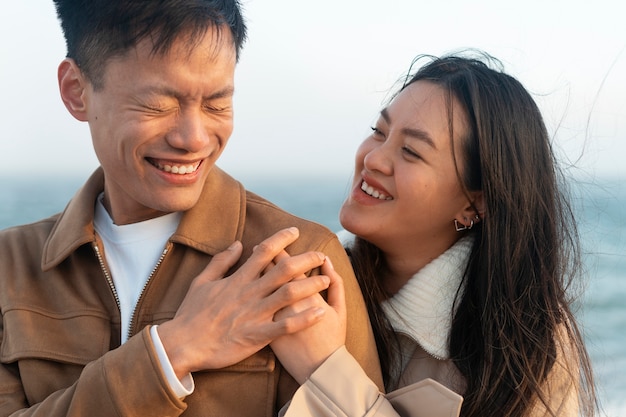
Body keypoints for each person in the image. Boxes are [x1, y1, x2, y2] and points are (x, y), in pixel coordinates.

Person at [0, 1, 382, 416]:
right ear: (76, 90)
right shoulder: (9, 266)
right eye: (157, 104)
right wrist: (174, 351)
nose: (194, 138)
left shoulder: (298, 262)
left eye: (218, 104)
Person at [247, 52, 597, 417]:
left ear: (474, 204)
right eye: (378, 133)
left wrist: (326, 368)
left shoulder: (527, 345)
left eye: (411, 151)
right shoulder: (300, 283)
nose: (374, 159)